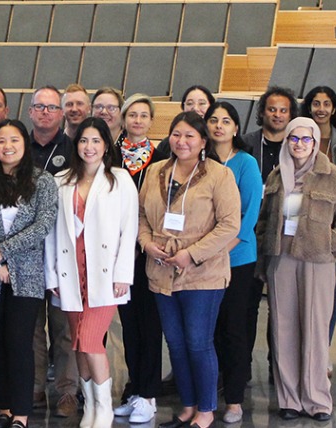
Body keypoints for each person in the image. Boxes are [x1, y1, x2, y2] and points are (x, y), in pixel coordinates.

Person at [138, 112, 240, 428]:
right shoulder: (156, 171)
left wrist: (191, 255)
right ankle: (188, 404)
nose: (182, 141)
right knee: (176, 343)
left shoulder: (219, 176)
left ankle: (207, 409)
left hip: (202, 274)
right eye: (177, 135)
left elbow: (229, 226)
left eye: (190, 136)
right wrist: (146, 243)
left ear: (203, 142)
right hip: (161, 271)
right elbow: (141, 216)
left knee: (198, 342)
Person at [255, 117, 336, 421]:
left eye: (306, 139)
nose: (299, 145)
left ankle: (316, 399)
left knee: (314, 330)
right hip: (281, 260)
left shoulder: (334, 176)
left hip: (317, 262)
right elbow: (263, 223)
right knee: (283, 329)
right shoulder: (276, 176)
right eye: (293, 139)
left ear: (316, 142)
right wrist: (263, 262)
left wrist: (330, 245)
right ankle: (289, 399)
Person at [0, 119, 57, 428]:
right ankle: (3, 408)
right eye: (2, 140)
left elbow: (43, 225)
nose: (7, 146)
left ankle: (21, 412)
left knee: (20, 342)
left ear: (24, 143)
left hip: (27, 275)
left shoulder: (42, 181)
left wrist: (3, 251)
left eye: (14, 140)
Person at [46, 117, 139, 428]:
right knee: (77, 341)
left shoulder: (120, 179)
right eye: (84, 140)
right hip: (71, 273)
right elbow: (51, 234)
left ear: (105, 145)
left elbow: (130, 229)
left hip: (106, 274)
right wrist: (52, 275)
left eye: (96, 141)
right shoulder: (61, 181)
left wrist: (123, 273)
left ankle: (106, 408)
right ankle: (90, 408)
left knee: (89, 341)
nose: (89, 147)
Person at [204, 102, 263, 424]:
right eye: (213, 120)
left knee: (234, 330)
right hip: (204, 260)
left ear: (236, 128)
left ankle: (236, 400)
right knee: (208, 330)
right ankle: (207, 395)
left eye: (226, 121)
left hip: (238, 258)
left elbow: (250, 213)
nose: (219, 126)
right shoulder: (200, 161)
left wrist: (221, 248)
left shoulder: (247, 163)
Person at [25, 85, 79, 416]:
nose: (45, 113)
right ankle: (32, 388)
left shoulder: (74, 149)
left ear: (61, 114)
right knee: (31, 325)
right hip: (27, 251)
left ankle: (66, 391)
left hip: (64, 249)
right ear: (30, 111)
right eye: (39, 107)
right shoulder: (17, 145)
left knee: (63, 325)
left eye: (51, 108)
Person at [111, 94, 161, 424]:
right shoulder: (112, 154)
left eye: (144, 115)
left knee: (150, 325)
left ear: (151, 120)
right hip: (118, 252)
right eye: (133, 115)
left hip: (150, 251)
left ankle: (149, 393)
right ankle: (134, 388)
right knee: (129, 326)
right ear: (124, 118)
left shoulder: (162, 156)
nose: (138, 120)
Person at [299, 85, 336, 352]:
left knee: (327, 292)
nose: (320, 109)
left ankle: (323, 350)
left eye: (326, 104)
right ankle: (301, 348)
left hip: (331, 228)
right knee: (300, 290)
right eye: (315, 103)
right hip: (301, 224)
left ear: (334, 109)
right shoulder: (298, 138)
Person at [243, 86, 298, 181]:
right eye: (272, 110)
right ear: (262, 112)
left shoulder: (297, 146)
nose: (277, 115)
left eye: (283, 111)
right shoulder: (244, 143)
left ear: (290, 115)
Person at [152, 85, 216, 162]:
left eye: (202, 103)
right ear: (183, 107)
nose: (195, 108)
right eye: (189, 103)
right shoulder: (168, 143)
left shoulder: (218, 140)